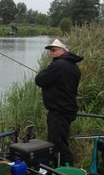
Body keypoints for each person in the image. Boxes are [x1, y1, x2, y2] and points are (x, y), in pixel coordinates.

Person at [35, 38, 83, 166]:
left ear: (63, 50)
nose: (51, 53)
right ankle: (57, 169)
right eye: (50, 51)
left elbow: (39, 80)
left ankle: (70, 173)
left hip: (59, 111)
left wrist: (44, 72)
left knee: (58, 143)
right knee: (58, 141)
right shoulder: (73, 66)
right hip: (66, 110)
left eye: (54, 50)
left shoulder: (59, 65)